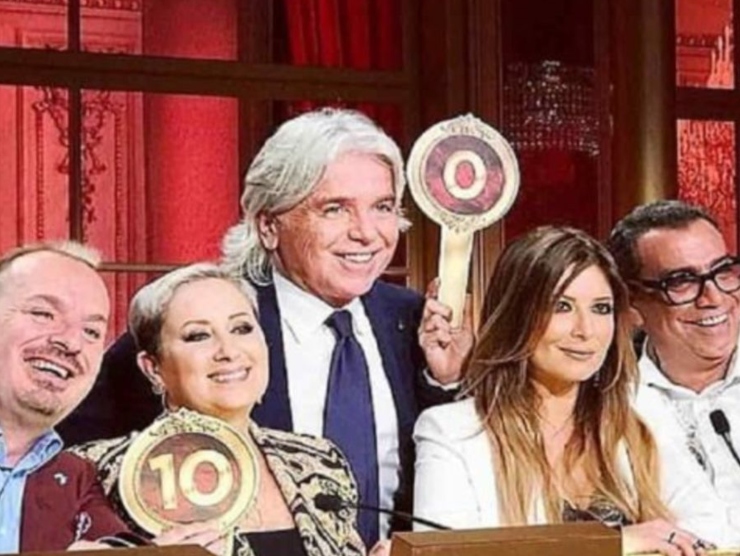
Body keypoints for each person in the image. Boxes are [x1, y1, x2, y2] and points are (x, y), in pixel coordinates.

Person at [62, 107, 473, 547]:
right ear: (269, 225)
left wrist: (445, 382)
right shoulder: (194, 324)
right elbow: (70, 471)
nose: (367, 233)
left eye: (383, 207)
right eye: (335, 209)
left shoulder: (413, 321)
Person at [413, 226, 738, 556]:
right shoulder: (451, 432)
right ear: (517, 316)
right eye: (562, 307)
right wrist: (616, 542)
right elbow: (443, 554)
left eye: (601, 308)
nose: (586, 330)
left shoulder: (643, 414)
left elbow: (711, 531)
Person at [72, 263, 370, 556]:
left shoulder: (319, 460)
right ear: (153, 367)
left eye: (242, 329)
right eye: (198, 335)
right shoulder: (95, 472)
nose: (229, 351)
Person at [0, 243, 222, 553]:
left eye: (91, 332)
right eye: (43, 314)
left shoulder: (75, 477)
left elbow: (124, 549)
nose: (71, 342)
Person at [608, 200, 740, 527]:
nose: (714, 298)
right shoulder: (607, 410)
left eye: (722, 271)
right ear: (632, 302)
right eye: (682, 281)